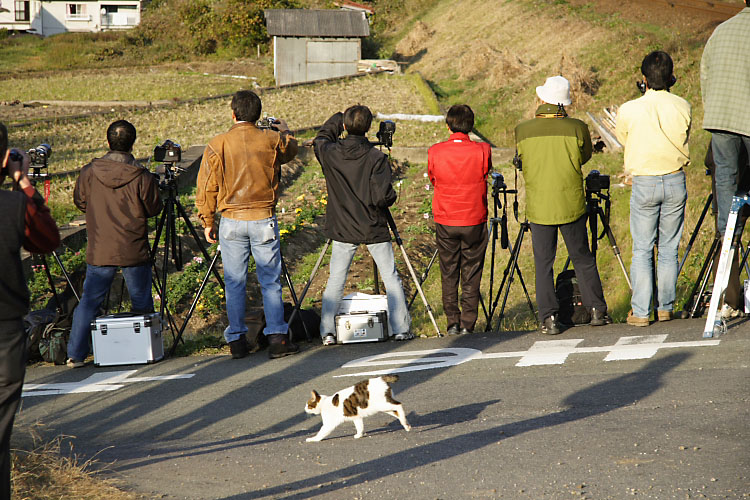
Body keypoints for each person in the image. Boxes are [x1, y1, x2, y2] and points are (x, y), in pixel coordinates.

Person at [196, 90, 299, 359]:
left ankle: (238, 341)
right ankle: (277, 337)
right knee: (270, 282)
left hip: (231, 220)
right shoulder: (271, 139)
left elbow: (207, 186)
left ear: (233, 113)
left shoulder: (217, 144)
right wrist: (285, 129)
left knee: (234, 283)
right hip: (263, 217)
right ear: (258, 115)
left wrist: (207, 220)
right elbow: (291, 150)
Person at [515, 75, 609, 335]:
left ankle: (550, 318)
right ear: (563, 103)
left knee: (544, 263)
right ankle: (597, 311)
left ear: (543, 99)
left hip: (540, 207)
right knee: (582, 258)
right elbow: (584, 156)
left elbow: (522, 160)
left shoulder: (522, 130)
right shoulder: (577, 127)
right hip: (571, 203)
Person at [66, 120, 163, 367]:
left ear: (108, 141)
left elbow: (80, 201)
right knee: (141, 301)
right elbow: (154, 208)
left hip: (100, 246)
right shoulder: (141, 175)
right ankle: (143, 351)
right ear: (133, 142)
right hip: (133, 247)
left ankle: (75, 354)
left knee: (90, 301)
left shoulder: (89, 172)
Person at [314, 106, 411, 345]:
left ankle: (327, 331)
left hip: (343, 226)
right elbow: (382, 198)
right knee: (390, 277)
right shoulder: (376, 158)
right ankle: (400, 329)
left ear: (344, 127)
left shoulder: (331, 153)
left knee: (336, 278)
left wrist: (337, 117)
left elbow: (320, 139)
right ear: (369, 128)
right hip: (373, 225)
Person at [0, 122, 60, 498]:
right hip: (4, 329)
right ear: (7, 158)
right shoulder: (14, 205)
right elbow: (47, 239)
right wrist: (22, 183)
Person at [616, 51, 692, 326]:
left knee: (643, 249)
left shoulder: (628, 109)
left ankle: (640, 311)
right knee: (669, 248)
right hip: (674, 179)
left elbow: (624, 138)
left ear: (644, 80)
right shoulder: (683, 106)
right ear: (672, 77)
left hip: (645, 181)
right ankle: (665, 307)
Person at [700, 2, 750, 317]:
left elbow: (705, 75)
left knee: (726, 199)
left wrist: (716, 111)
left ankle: (728, 296)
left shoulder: (721, 30)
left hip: (720, 122)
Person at [428, 104, 491, 334]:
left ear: (448, 126)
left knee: (449, 270)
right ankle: (468, 323)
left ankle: (452, 322)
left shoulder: (435, 151)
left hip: (446, 218)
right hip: (474, 218)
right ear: (471, 126)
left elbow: (434, 179)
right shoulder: (483, 150)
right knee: (471, 271)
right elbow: (485, 173)